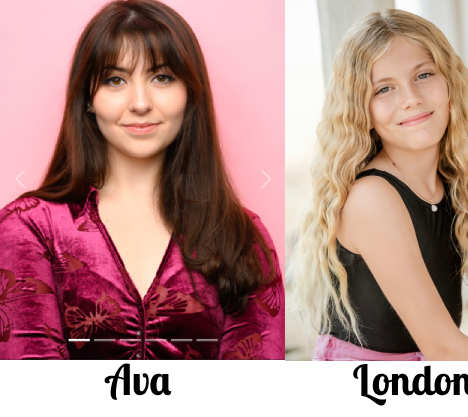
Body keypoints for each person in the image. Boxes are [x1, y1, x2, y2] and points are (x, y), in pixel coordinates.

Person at [0, 0, 284, 359]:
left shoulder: (242, 236)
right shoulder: (28, 228)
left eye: (162, 77)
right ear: (89, 97)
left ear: (190, 93)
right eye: (115, 79)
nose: (139, 102)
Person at [292, 9, 468, 361]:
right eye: (385, 88)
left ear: (450, 83)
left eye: (424, 75)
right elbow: (442, 344)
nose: (411, 97)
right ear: (362, 110)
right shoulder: (372, 199)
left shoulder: (458, 181)